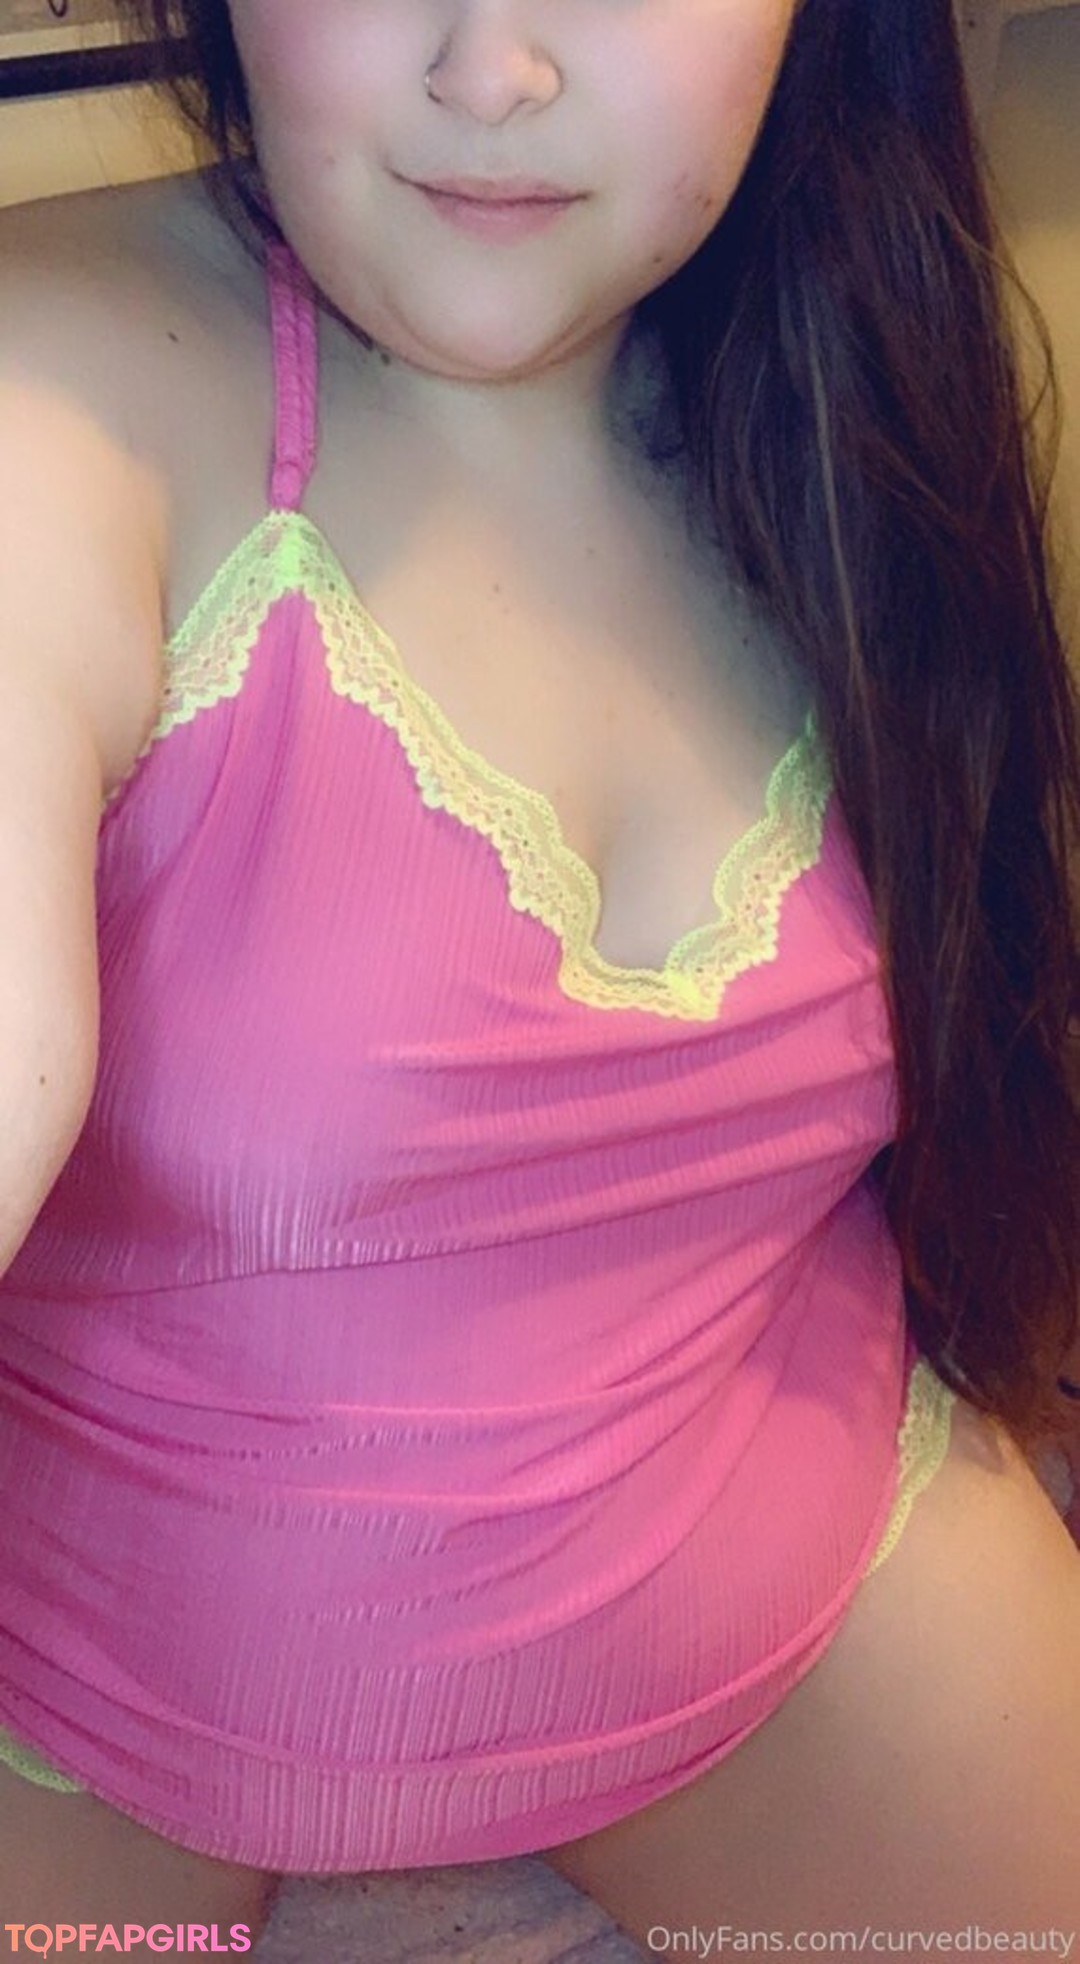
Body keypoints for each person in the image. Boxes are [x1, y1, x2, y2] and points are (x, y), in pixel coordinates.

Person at [0, 0, 1078, 1948]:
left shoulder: (846, 361)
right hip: (102, 1690)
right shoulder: (57, 398)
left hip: (797, 1543)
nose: (491, 69)